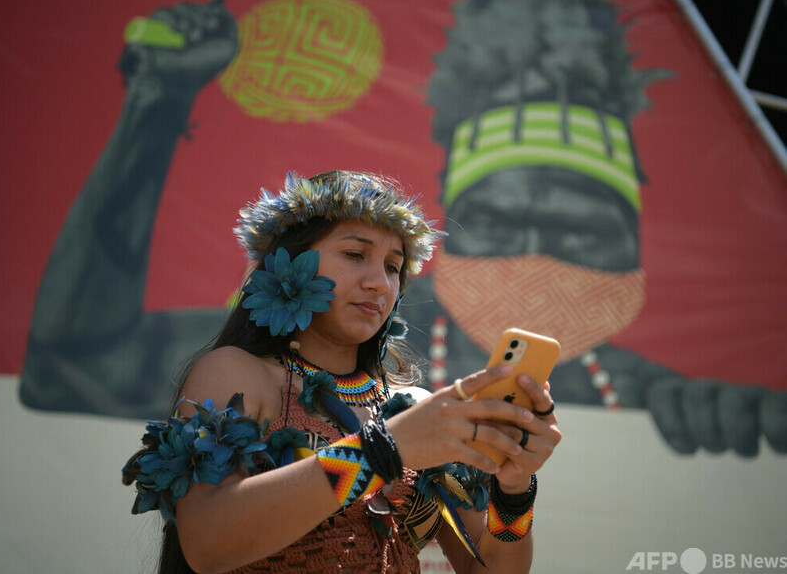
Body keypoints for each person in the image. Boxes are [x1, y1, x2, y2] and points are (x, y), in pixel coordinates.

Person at [123, 170, 562, 573]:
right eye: (355, 254)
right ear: (289, 263)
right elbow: (207, 545)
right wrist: (382, 452)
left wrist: (514, 489)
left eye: (393, 267)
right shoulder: (236, 373)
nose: (379, 282)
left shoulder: (415, 409)